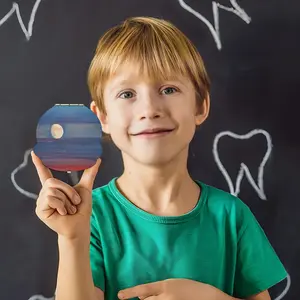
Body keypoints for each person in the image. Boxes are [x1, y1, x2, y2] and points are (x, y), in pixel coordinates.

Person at [32, 16, 287, 300]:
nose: (150, 109)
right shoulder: (91, 217)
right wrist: (72, 239)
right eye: (127, 93)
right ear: (101, 117)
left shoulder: (231, 217)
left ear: (200, 106)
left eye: (168, 89)